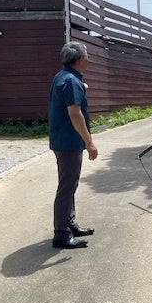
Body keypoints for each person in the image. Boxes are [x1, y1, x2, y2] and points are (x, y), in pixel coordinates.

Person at [48, 41, 98, 249]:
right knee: (67, 186)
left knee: (70, 184)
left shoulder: (63, 76)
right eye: (87, 57)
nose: (88, 60)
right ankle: (61, 233)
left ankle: (70, 224)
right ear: (80, 59)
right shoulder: (71, 81)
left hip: (64, 139)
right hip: (69, 141)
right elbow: (75, 114)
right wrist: (89, 142)